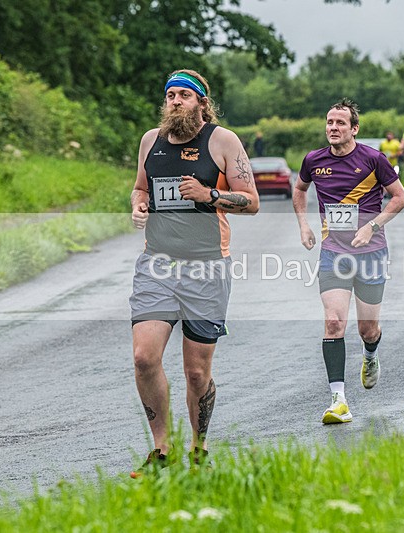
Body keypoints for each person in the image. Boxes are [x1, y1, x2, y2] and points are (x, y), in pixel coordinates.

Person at [129, 69, 260, 476]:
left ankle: (198, 447)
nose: (175, 101)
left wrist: (211, 195)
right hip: (157, 264)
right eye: (170, 94)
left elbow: (252, 201)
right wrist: (137, 204)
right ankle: (161, 450)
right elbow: (140, 188)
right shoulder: (150, 140)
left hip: (207, 266)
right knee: (144, 357)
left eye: (185, 95)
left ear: (202, 102)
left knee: (197, 371)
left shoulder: (222, 141)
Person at [293, 98, 404, 423]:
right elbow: (300, 189)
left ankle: (370, 354)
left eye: (340, 123)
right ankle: (338, 401)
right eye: (329, 122)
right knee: (333, 322)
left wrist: (372, 226)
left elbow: (401, 197)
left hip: (371, 254)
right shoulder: (314, 160)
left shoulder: (373, 159)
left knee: (367, 328)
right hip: (334, 254)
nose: (333, 127)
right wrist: (304, 224)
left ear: (354, 129)